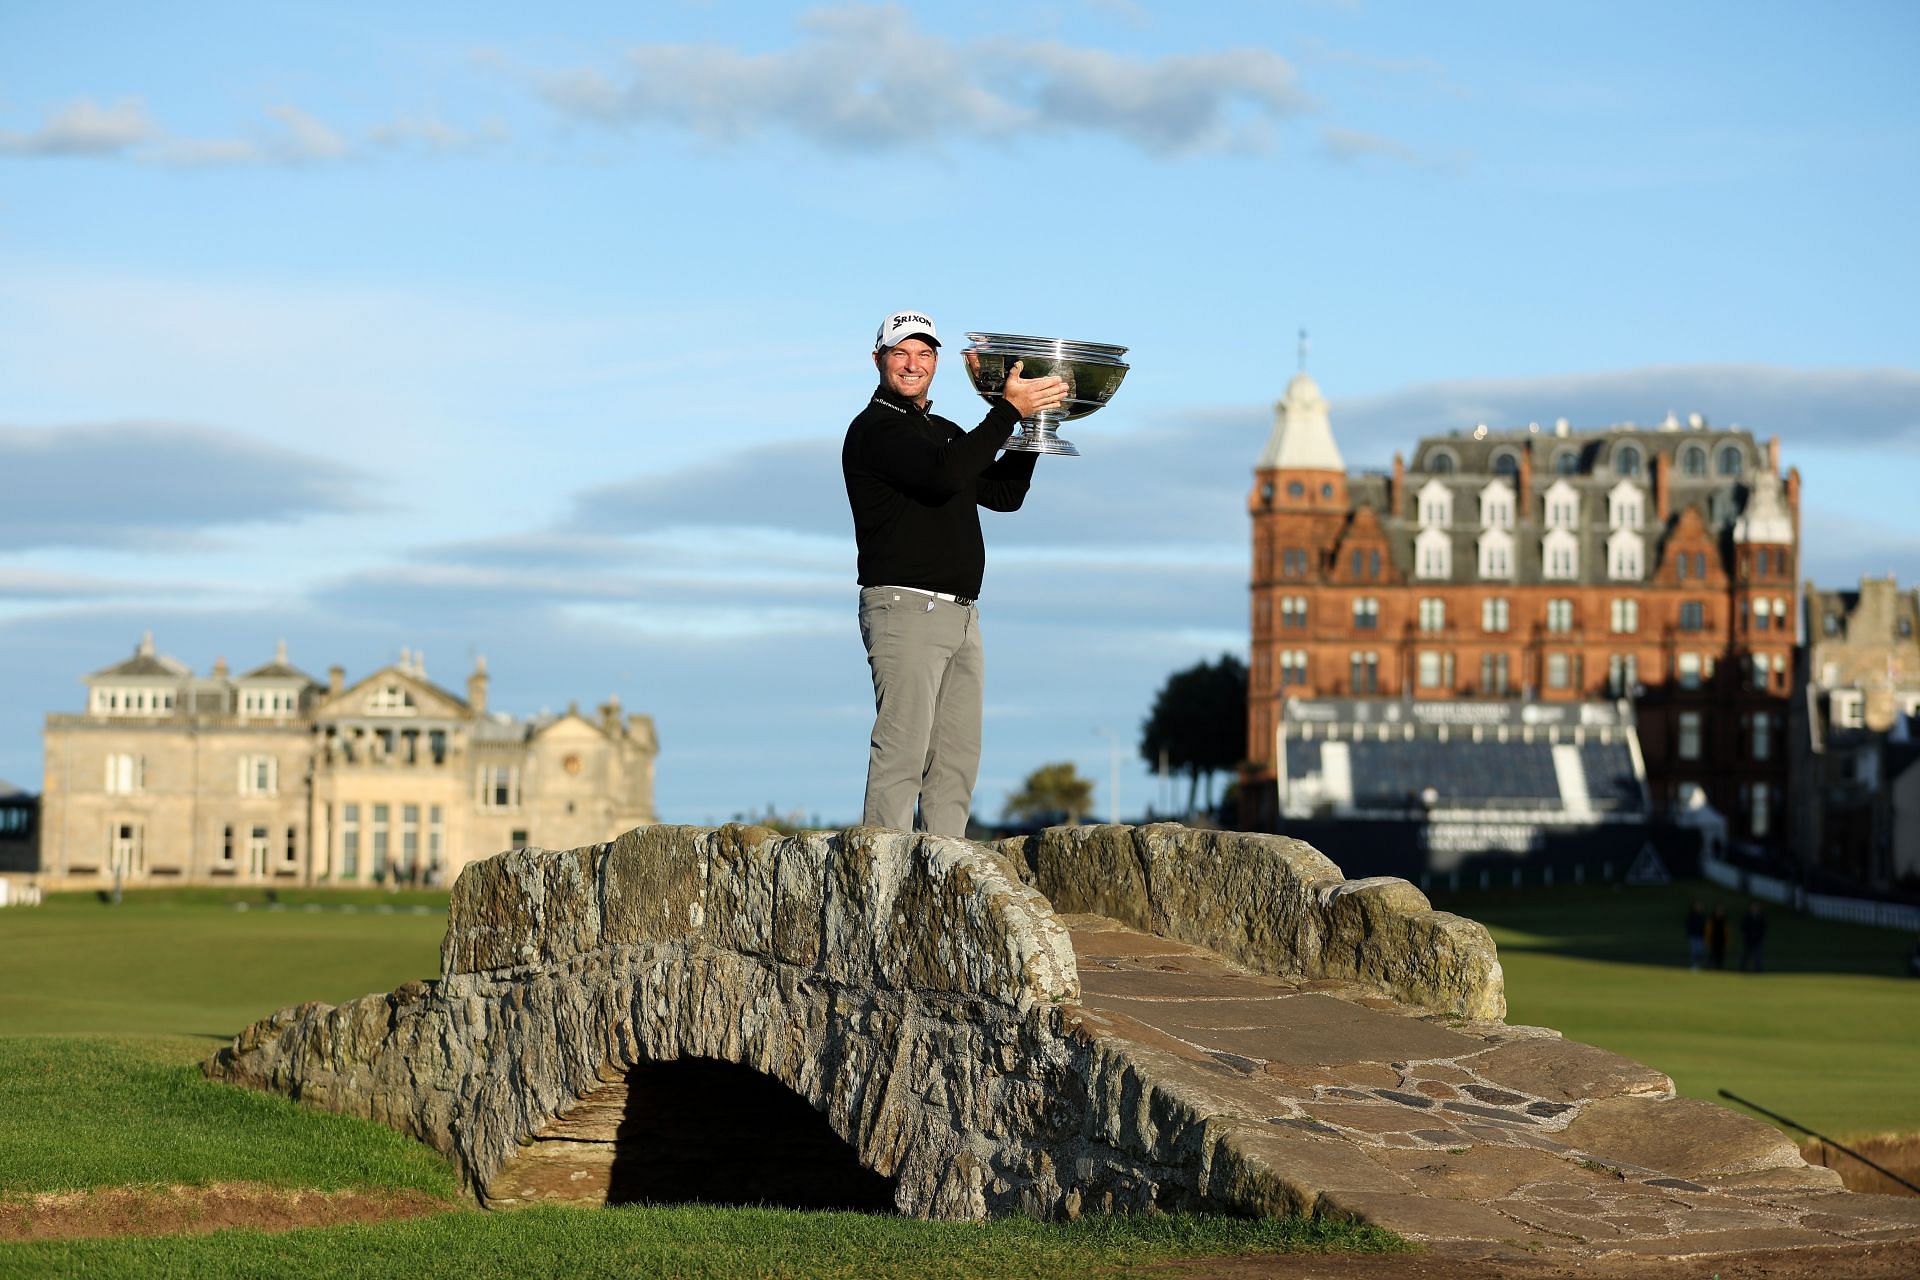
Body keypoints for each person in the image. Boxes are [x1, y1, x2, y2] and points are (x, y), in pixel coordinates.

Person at [842, 309, 1066, 836]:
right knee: (903, 752)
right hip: (903, 607)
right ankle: (879, 891)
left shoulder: (942, 431)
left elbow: (1003, 494)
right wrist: (1005, 412)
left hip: (961, 614)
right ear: (878, 361)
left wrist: (1029, 422)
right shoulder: (875, 430)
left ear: (937, 363)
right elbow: (944, 475)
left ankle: (943, 883)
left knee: (955, 761)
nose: (911, 363)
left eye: (923, 353)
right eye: (900, 353)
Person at [1739, 903, 1767, 972]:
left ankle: (1758, 969)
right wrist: (1747, 935)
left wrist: (1760, 936)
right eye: (1753, 907)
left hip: (1758, 939)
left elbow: (1763, 928)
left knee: (1758, 956)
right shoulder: (1747, 916)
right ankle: (1743, 968)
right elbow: (1743, 927)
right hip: (1748, 939)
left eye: (1756, 907)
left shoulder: (1761, 917)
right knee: (1746, 954)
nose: (1755, 908)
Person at [1685, 900, 1707, 971]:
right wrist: (1689, 933)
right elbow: (1688, 926)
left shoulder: (1702, 916)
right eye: (1697, 906)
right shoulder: (1691, 915)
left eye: (1699, 906)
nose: (1698, 907)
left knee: (1700, 951)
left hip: (1701, 936)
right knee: (1694, 951)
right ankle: (1693, 965)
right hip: (1693, 936)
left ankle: (1698, 965)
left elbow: (1705, 927)